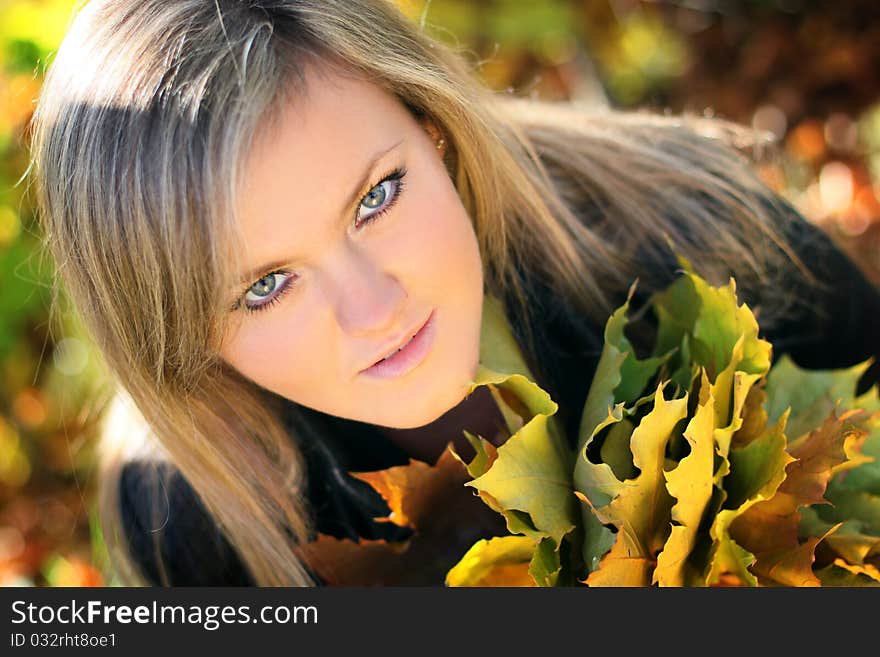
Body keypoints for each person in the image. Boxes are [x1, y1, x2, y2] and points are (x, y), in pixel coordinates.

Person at [28, 0, 880, 587]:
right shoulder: (189, 518)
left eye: (375, 197)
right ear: (186, 336)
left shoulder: (702, 239)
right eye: (264, 286)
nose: (375, 309)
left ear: (432, 126)